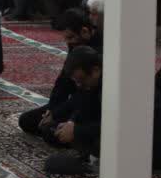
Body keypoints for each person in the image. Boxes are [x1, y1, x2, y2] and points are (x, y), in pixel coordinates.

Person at [43, 47, 161, 176]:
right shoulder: (99, 80)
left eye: (81, 80)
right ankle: (92, 158)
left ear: (96, 70)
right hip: (131, 137)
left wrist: (77, 131)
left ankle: (93, 163)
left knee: (56, 161)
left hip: (154, 148)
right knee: (54, 131)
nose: (79, 85)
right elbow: (82, 104)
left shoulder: (120, 85)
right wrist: (66, 121)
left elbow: (120, 124)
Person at [17, 9, 101, 139]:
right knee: (27, 120)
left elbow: (87, 96)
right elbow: (63, 82)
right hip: (73, 103)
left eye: (71, 37)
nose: (68, 42)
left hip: (90, 106)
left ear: (84, 31)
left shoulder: (99, 52)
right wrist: (52, 110)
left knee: (52, 133)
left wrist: (69, 121)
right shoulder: (75, 46)